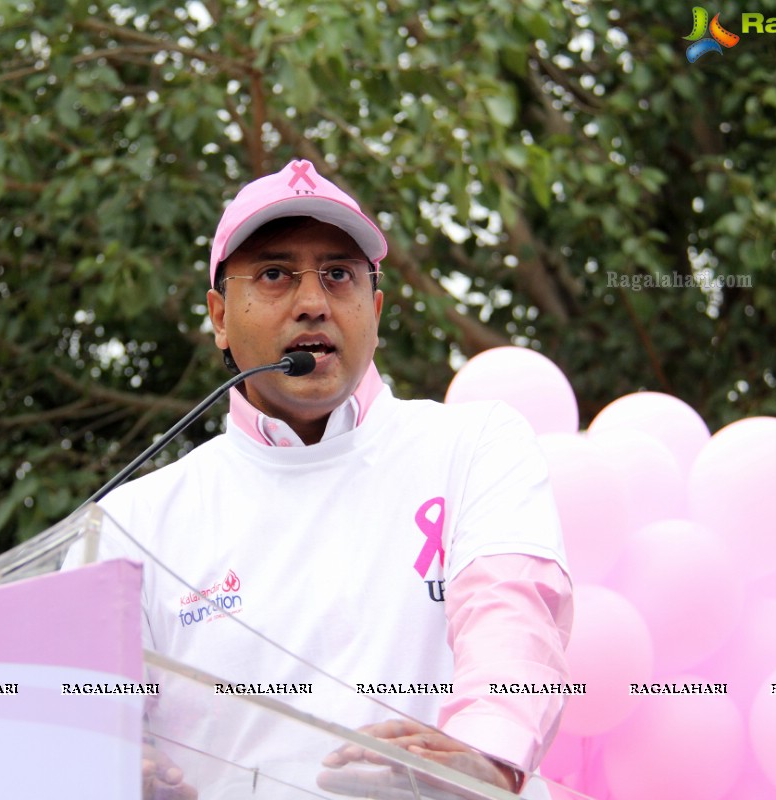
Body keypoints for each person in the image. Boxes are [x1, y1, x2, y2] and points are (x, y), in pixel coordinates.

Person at [67, 159, 572, 799]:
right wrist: (107, 770)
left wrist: (486, 757)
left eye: (339, 276)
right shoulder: (132, 524)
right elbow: (87, 726)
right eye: (276, 275)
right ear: (220, 317)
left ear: (375, 307)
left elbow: (515, 617)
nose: (313, 304)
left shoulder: (475, 446)